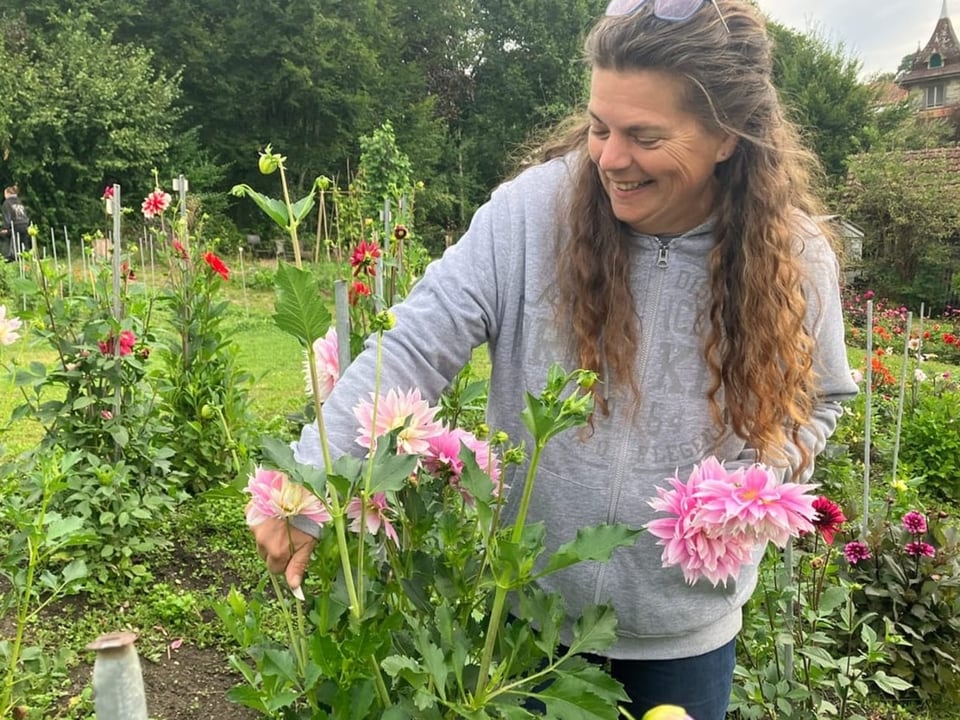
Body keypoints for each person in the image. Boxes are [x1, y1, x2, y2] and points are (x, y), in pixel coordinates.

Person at [252, 1, 859, 717]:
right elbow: (412, 344)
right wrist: (313, 480)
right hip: (527, 630)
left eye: (645, 135)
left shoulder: (793, 254)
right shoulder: (531, 215)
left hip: (685, 641)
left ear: (727, 136)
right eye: (600, 127)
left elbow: (821, 398)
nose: (608, 158)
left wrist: (764, 478)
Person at [1, 185, 30, 262]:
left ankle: (11, 260)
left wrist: (5, 229)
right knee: (24, 248)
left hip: (15, 227)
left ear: (7, 193)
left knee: (13, 249)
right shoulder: (19, 202)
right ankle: (26, 262)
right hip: (24, 226)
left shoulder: (6, 203)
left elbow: (7, 217)